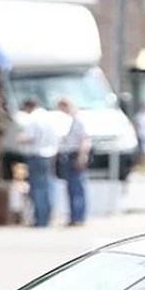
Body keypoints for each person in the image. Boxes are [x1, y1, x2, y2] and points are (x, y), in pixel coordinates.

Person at [15, 97, 60, 226]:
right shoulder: (50, 118)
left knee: (37, 188)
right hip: (50, 155)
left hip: (37, 155)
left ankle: (40, 219)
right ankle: (47, 217)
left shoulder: (34, 119)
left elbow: (30, 137)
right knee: (47, 187)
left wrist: (19, 139)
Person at [57, 97, 91, 226]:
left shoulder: (79, 121)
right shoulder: (72, 121)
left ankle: (78, 216)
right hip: (70, 154)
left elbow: (85, 140)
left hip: (75, 155)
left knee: (77, 187)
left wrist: (82, 157)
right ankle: (74, 216)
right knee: (72, 188)